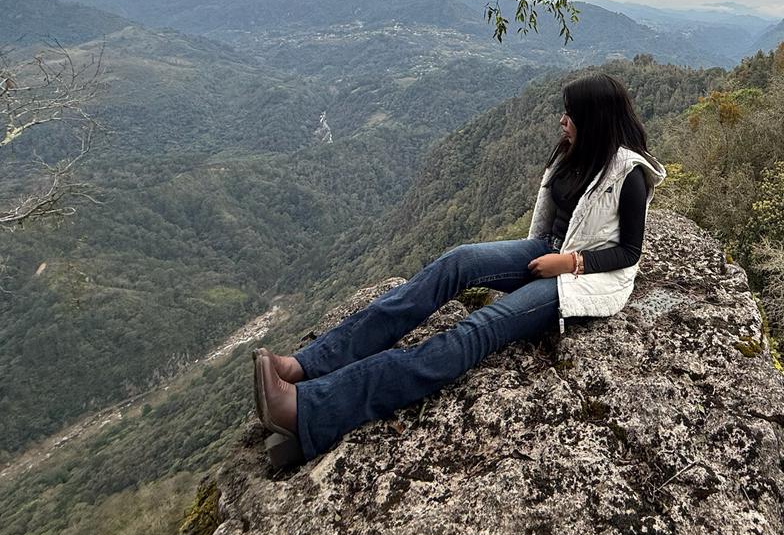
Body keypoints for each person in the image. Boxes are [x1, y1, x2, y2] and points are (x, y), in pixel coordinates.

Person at [252, 71, 667, 467]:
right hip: (546, 250)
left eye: (570, 114)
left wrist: (571, 263)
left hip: (579, 280)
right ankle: (309, 364)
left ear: (594, 120)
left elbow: (630, 252)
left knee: (475, 331)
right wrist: (548, 253)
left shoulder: (628, 174)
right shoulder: (577, 150)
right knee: (458, 261)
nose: (563, 120)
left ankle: (308, 409)